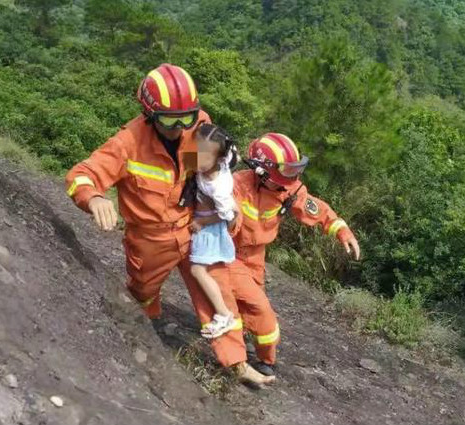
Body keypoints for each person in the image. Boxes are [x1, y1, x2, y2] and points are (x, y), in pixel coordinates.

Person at [65, 63, 276, 386]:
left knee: (217, 288)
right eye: (169, 120)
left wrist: (225, 205)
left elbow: (213, 166)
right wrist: (93, 197)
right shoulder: (129, 143)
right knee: (143, 291)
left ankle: (236, 363)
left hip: (193, 226)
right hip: (150, 238)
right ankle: (145, 327)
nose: (179, 127)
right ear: (149, 114)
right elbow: (83, 174)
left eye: (187, 117)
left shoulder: (199, 129)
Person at [232, 132, 361, 375]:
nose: (292, 178)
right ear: (262, 172)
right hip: (229, 255)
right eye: (286, 172)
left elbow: (316, 209)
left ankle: (246, 350)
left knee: (245, 309)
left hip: (255, 257)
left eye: (294, 171)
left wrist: (342, 230)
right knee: (260, 308)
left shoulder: (287, 189)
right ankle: (260, 361)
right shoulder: (236, 186)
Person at [189, 123, 239, 339]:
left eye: (203, 156)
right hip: (205, 220)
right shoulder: (211, 162)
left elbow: (228, 214)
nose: (197, 159)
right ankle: (223, 313)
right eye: (195, 152)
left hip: (210, 228)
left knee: (197, 270)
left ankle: (223, 314)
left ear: (218, 160)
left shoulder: (218, 187)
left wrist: (202, 222)